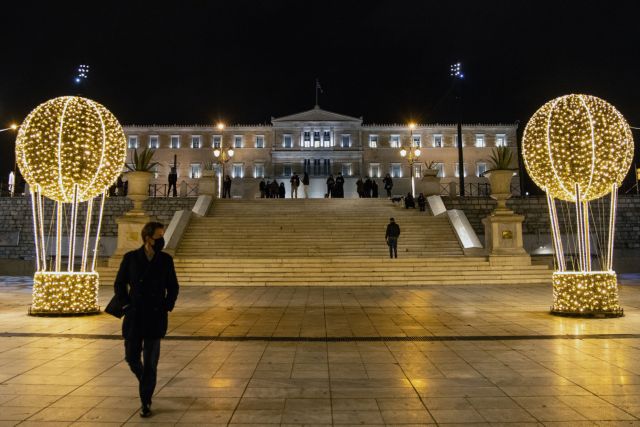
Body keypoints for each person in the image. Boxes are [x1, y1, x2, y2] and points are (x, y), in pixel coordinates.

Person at [114, 221, 179, 418]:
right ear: (148, 238)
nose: (162, 240)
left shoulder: (165, 260)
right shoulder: (131, 258)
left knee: (150, 362)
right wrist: (126, 305)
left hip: (155, 316)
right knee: (131, 358)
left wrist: (167, 305)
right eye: (159, 237)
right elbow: (119, 284)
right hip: (135, 316)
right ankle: (146, 382)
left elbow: (173, 286)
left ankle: (145, 401)